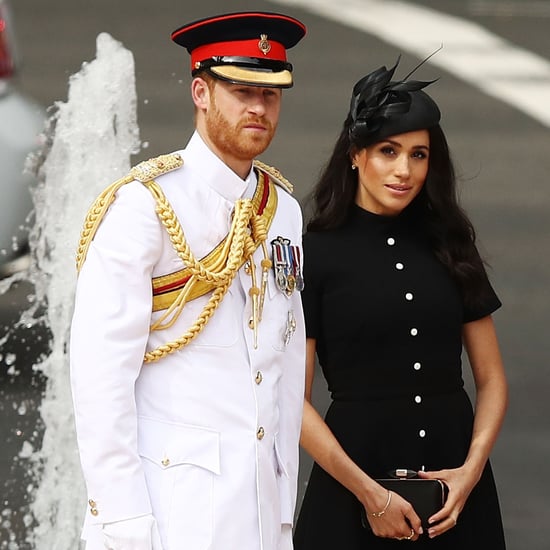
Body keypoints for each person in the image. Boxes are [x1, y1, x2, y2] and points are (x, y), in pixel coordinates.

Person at [70, 11, 307, 550]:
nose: (258, 107)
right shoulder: (144, 206)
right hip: (169, 511)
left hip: (260, 513)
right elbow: (100, 378)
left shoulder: (282, 210)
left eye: (270, 94)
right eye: (242, 90)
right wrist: (123, 525)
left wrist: (282, 511)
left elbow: (285, 368)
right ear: (201, 91)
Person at [293, 60, 508, 549]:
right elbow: (292, 400)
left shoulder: (451, 244)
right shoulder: (314, 252)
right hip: (353, 485)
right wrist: (372, 496)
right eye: (388, 151)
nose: (404, 170)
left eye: (418, 154)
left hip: (457, 494)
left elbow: (492, 379)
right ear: (355, 154)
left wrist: (470, 472)